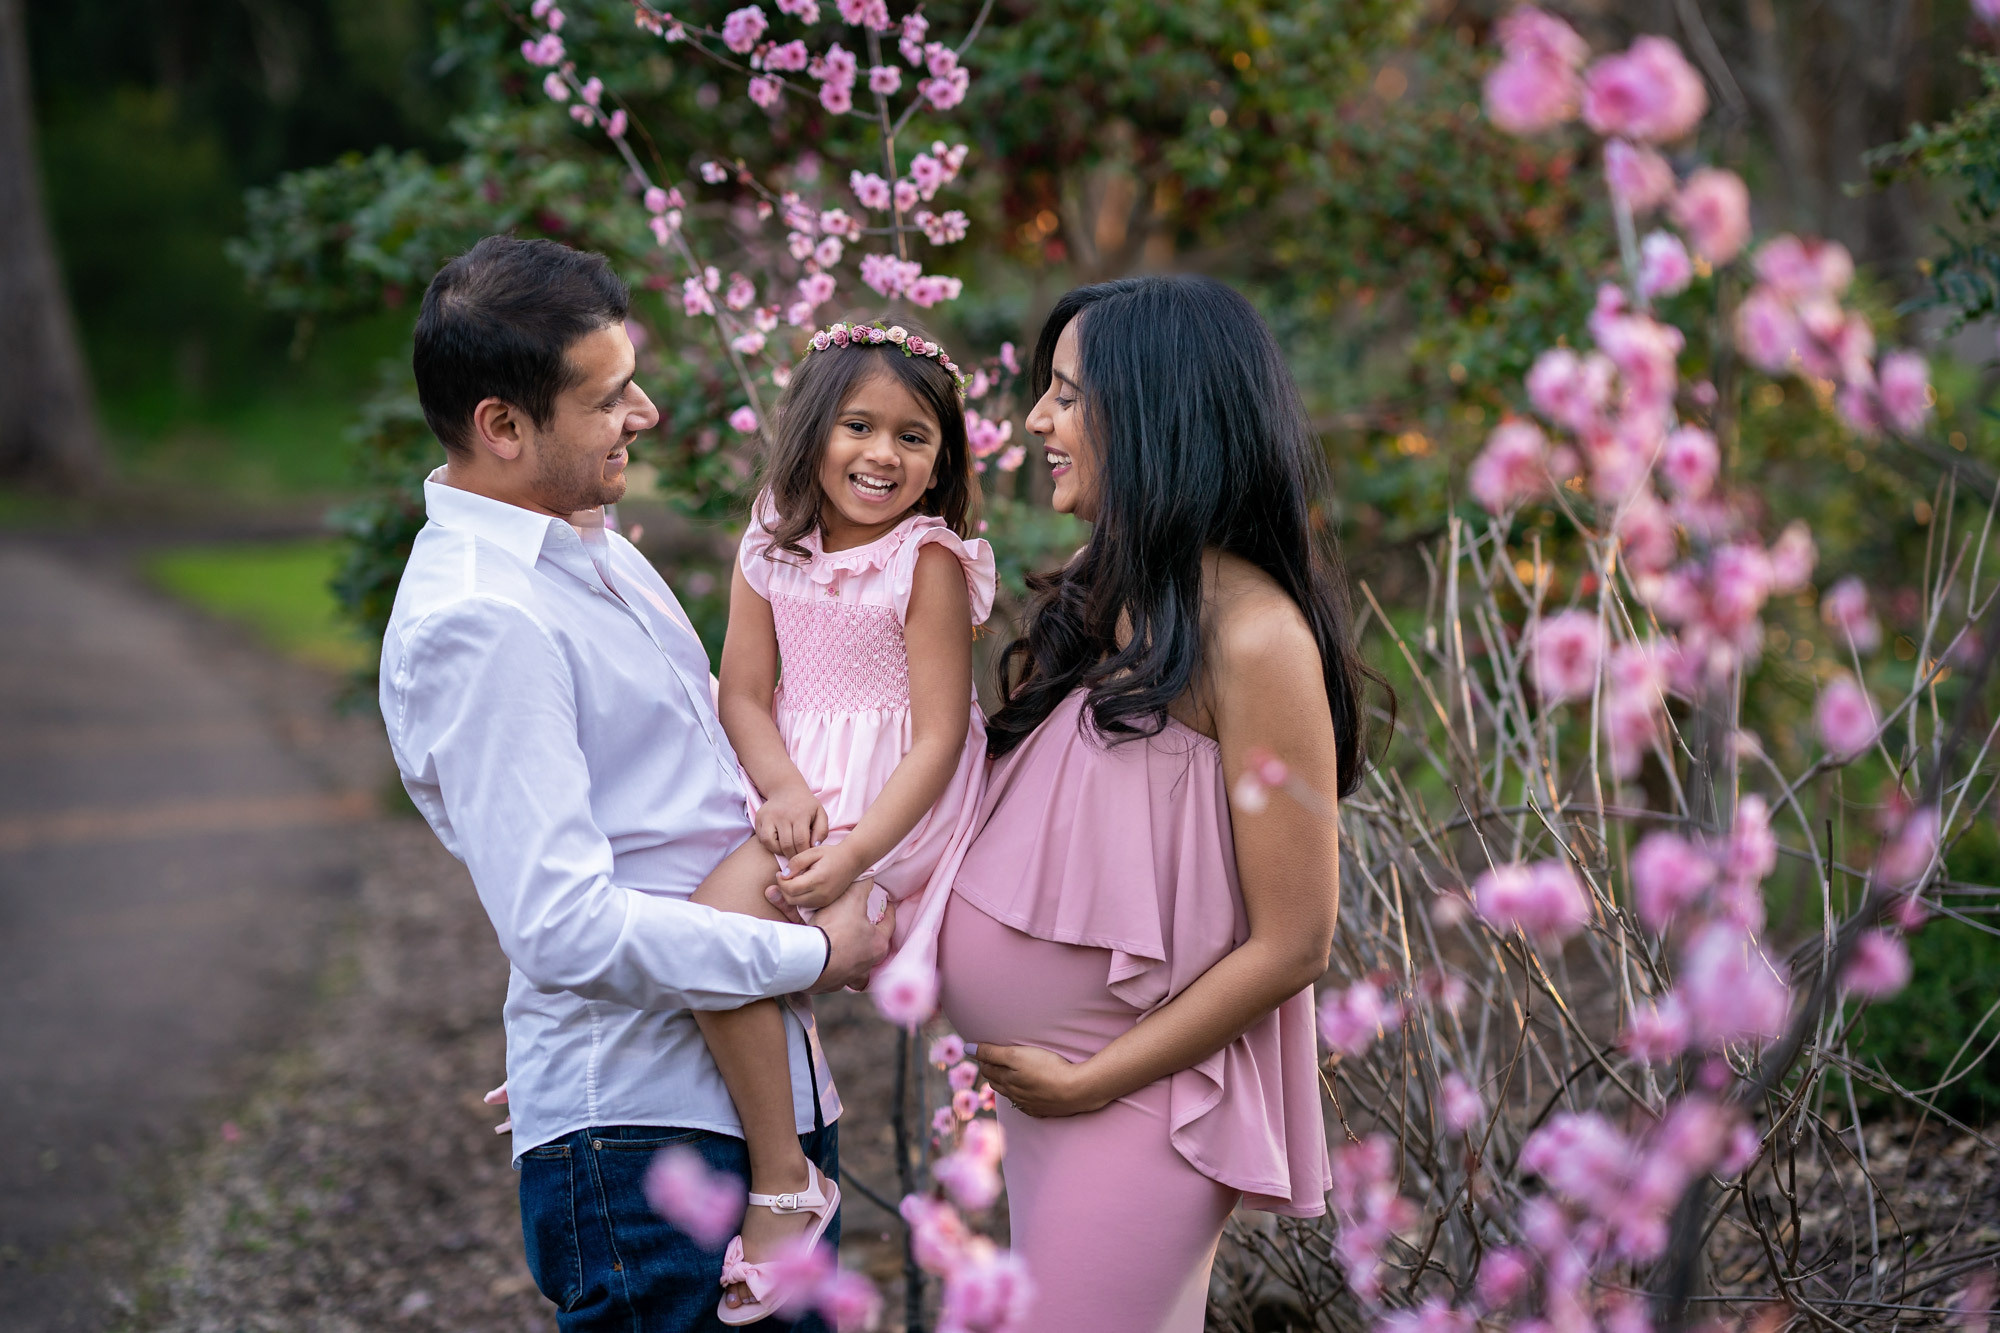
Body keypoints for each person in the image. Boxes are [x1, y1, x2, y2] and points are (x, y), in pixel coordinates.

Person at [381, 235, 893, 1333]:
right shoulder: (482, 618)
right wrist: (813, 949)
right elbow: (561, 926)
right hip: (645, 1133)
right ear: (502, 427)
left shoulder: (592, 549)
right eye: (609, 397)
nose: (646, 413)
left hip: (737, 1097)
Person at [934, 275, 1379, 1331]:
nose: (1035, 420)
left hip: (1141, 1103)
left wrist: (1092, 1083)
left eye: (1064, 394)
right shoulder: (1113, 592)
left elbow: (1294, 943)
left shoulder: (1253, 636)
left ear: (1155, 412)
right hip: (1055, 1095)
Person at [689, 319, 993, 1323]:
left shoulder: (927, 560)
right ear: (812, 429)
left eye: (913, 437)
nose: (882, 455)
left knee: (747, 935)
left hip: (897, 808)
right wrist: (780, 789)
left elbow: (940, 734)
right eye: (858, 426)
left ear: (942, 457)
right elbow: (741, 691)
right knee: (705, 935)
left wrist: (859, 849)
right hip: (802, 797)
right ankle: (789, 1176)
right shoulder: (770, 540)